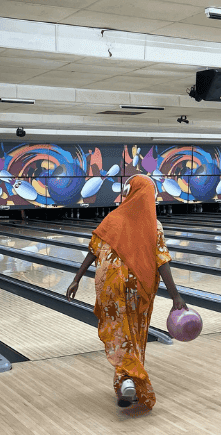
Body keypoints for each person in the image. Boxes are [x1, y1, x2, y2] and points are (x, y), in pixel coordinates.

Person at [66, 174, 187, 410]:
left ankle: (125, 382)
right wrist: (175, 295)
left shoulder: (113, 219)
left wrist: (76, 279)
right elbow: (162, 261)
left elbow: (93, 250)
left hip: (110, 287)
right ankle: (130, 380)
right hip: (139, 288)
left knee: (119, 332)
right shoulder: (154, 226)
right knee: (135, 334)